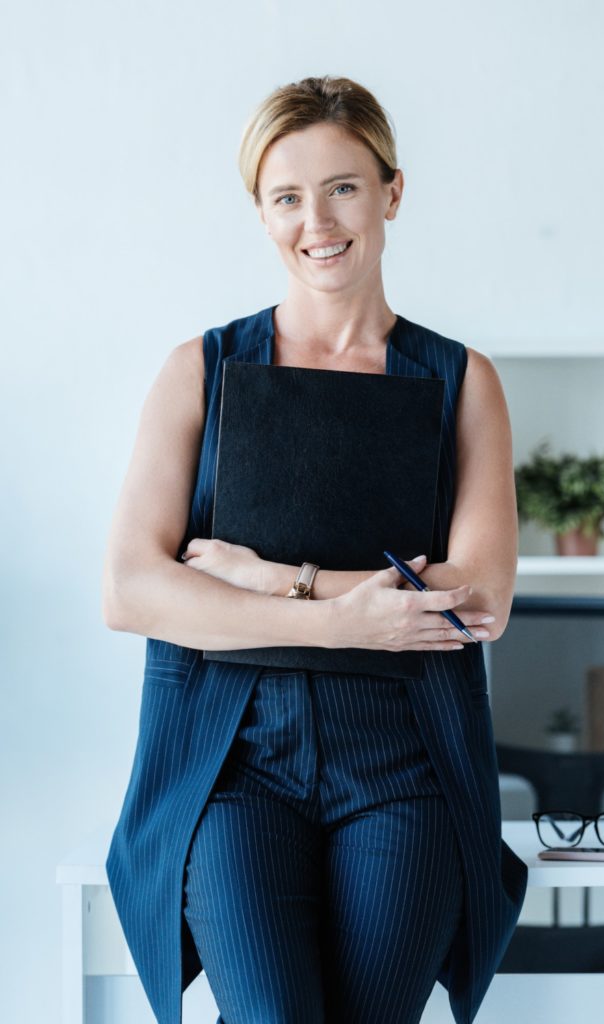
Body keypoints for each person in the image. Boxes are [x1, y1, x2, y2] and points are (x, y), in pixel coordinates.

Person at [103, 75, 528, 1024]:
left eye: (342, 186)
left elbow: (479, 597)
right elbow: (132, 588)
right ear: (260, 214)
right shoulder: (202, 372)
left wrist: (272, 579)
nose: (317, 220)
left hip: (404, 761)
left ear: (392, 192)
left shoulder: (462, 382)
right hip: (234, 761)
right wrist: (353, 616)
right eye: (287, 196)